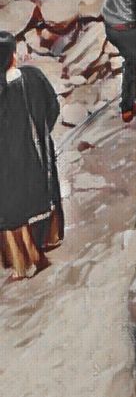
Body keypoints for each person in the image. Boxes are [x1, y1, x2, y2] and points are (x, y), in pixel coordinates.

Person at [0, 31, 64, 280]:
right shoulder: (32, 77)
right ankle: (49, 239)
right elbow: (52, 108)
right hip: (36, 155)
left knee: (11, 210)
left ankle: (22, 263)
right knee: (43, 196)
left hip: (6, 167)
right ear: (12, 56)